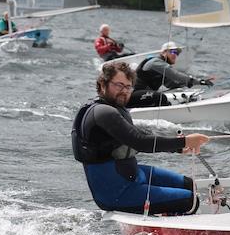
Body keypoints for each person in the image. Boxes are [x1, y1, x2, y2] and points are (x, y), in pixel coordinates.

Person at [72, 61, 209, 215]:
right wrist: (185, 141)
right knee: (190, 200)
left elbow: (134, 135)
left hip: (132, 175)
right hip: (117, 192)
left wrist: (178, 148)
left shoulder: (114, 109)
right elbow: (139, 142)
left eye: (128, 87)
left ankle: (163, 214)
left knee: (189, 185)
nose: (124, 91)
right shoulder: (102, 113)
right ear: (103, 84)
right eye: (119, 85)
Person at [127, 41, 214, 108]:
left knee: (159, 97)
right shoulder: (155, 62)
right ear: (164, 53)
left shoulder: (161, 68)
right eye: (173, 52)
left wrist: (198, 82)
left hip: (142, 95)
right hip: (131, 95)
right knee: (160, 96)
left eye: (177, 53)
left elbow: (172, 84)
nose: (175, 55)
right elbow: (176, 75)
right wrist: (198, 81)